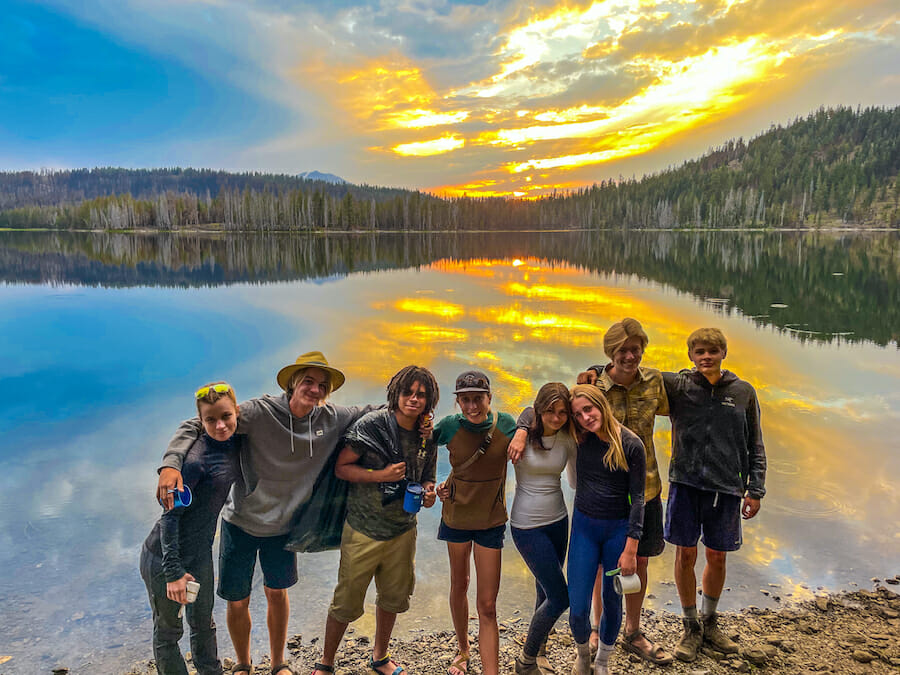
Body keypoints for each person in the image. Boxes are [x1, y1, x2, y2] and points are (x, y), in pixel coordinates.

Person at [156, 352, 377, 675]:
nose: (314, 389)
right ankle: (244, 664)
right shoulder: (259, 412)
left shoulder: (331, 418)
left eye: (321, 385)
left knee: (277, 593)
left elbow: (371, 412)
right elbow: (201, 421)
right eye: (307, 381)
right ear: (292, 382)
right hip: (239, 522)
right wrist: (170, 463)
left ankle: (278, 663)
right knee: (237, 598)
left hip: (285, 527)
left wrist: (418, 417)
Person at [311, 366, 440, 675]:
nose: (413, 399)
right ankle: (325, 663)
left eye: (421, 395)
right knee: (346, 601)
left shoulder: (427, 437)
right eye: (408, 392)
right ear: (395, 393)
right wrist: (380, 475)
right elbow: (342, 468)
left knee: (393, 597)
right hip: (363, 528)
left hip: (403, 529)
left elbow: (427, 477)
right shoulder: (371, 426)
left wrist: (429, 492)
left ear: (429, 400)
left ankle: (380, 656)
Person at [662, 328, 766, 662]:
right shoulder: (678, 387)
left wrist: (756, 488)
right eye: (699, 351)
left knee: (718, 556)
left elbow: (755, 444)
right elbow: (633, 373)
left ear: (724, 352)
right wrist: (597, 372)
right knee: (686, 554)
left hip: (726, 487)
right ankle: (690, 624)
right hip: (685, 482)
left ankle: (709, 622)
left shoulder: (743, 392)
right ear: (690, 355)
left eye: (712, 351)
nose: (706, 356)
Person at [575, 318, 672, 665]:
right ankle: (601, 628)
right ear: (610, 353)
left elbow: (685, 403)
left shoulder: (656, 382)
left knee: (639, 559)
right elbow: (556, 410)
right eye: (622, 350)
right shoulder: (594, 386)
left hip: (646, 488)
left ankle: (632, 629)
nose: (630, 356)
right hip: (609, 494)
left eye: (635, 349)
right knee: (606, 564)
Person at [140, 382, 243, 675]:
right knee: (168, 631)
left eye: (226, 416)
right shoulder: (195, 462)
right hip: (163, 557)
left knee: (203, 622)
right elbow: (170, 518)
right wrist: (173, 573)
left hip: (199, 553)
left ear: (236, 412)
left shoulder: (235, 441)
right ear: (201, 421)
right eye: (210, 420)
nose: (220, 425)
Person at [433, 371, 517, 675]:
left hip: (491, 520)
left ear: (489, 398)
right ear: (457, 401)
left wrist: (522, 433)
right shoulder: (448, 426)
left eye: (477, 399)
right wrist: (431, 486)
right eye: (465, 399)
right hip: (456, 516)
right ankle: (463, 649)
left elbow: (534, 420)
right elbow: (421, 446)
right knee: (460, 584)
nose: (472, 406)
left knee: (487, 604)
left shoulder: (506, 424)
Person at [567, 384, 645, 675]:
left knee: (612, 603)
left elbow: (638, 497)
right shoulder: (579, 438)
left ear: (601, 404)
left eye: (589, 409)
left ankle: (602, 661)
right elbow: (536, 414)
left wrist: (631, 547)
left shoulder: (631, 443)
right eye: (578, 414)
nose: (585, 417)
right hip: (584, 529)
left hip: (617, 532)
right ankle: (583, 654)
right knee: (577, 607)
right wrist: (523, 432)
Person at [507, 383, 577, 675]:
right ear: (539, 410)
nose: (557, 417)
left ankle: (540, 651)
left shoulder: (568, 439)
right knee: (561, 597)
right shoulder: (520, 435)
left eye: (562, 412)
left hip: (559, 520)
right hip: (526, 525)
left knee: (545, 589)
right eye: (550, 411)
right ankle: (525, 662)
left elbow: (574, 481)